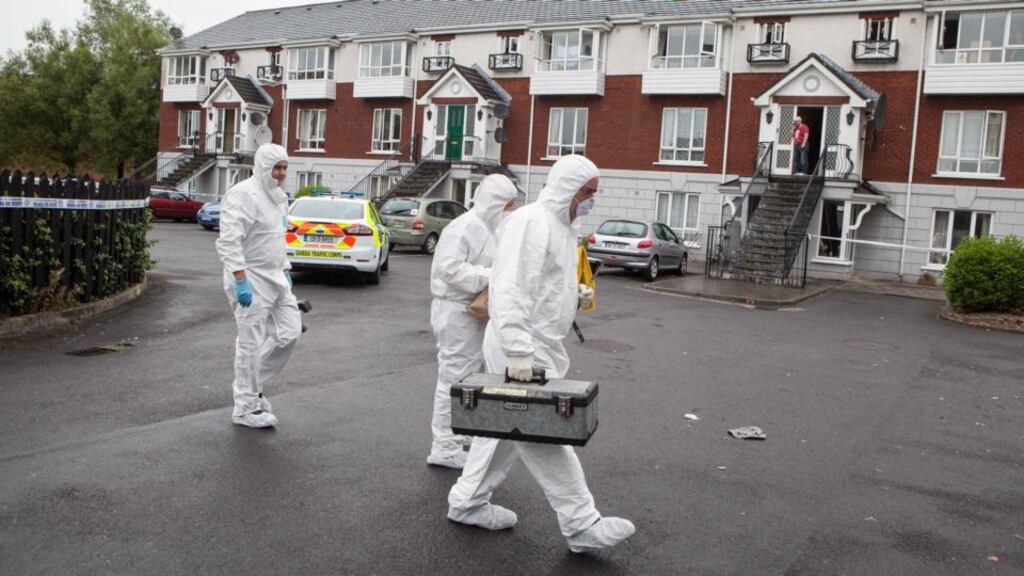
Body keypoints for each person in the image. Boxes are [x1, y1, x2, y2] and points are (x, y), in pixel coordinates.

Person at [447, 155, 635, 554]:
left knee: (504, 429)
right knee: (545, 434)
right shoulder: (532, 222)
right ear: (568, 188)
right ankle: (582, 524)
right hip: (521, 347)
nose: (590, 201)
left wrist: (573, 294)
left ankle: (467, 502)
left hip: (538, 344)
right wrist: (518, 351)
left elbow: (542, 283)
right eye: (587, 192)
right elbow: (510, 286)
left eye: (594, 194)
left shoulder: (562, 228)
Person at [427, 174, 518, 469]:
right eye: (508, 204)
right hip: (455, 311)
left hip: (474, 311)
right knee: (453, 378)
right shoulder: (464, 227)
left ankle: (457, 435)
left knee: (469, 377)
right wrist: (492, 277)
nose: (511, 210)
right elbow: (449, 270)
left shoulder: (491, 228)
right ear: (495, 202)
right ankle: (444, 446)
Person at [215, 143, 301, 429]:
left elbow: (276, 237)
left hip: (275, 276)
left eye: (284, 168)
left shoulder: (277, 197)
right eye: (276, 168)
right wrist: (240, 279)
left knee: (289, 333)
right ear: (263, 167)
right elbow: (229, 240)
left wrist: (285, 268)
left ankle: (254, 388)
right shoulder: (243, 195)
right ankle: (245, 407)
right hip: (250, 276)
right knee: (250, 343)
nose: (280, 174)